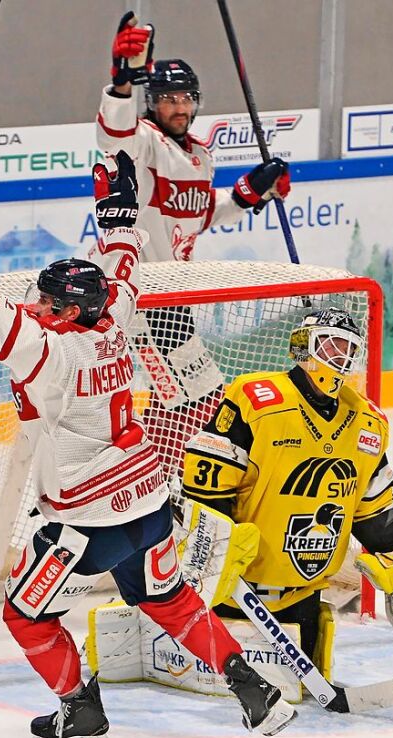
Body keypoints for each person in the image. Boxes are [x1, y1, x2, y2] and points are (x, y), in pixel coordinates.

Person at [0, 151, 295, 738]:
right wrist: (119, 210)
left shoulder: (57, 355)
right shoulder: (115, 318)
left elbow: (3, 325)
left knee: (24, 616)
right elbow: (122, 267)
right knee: (171, 601)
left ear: (70, 313)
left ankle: (80, 716)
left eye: (49, 304)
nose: (39, 309)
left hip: (87, 522)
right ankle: (254, 690)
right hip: (150, 502)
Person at [178, 308, 393, 677]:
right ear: (303, 348)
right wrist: (216, 549)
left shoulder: (369, 422)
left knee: (297, 691)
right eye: (330, 345)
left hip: (304, 590)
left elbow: (372, 503)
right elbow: (207, 480)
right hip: (235, 589)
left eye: (349, 349)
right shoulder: (256, 398)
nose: (340, 357)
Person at [99, 11, 294, 485]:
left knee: (190, 400)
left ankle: (152, 478)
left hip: (174, 294)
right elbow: (113, 132)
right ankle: (151, 480)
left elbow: (199, 215)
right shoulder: (142, 141)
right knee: (199, 398)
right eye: (167, 97)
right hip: (136, 294)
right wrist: (121, 84)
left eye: (186, 97)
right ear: (152, 101)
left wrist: (250, 192)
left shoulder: (199, 155)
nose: (178, 106)